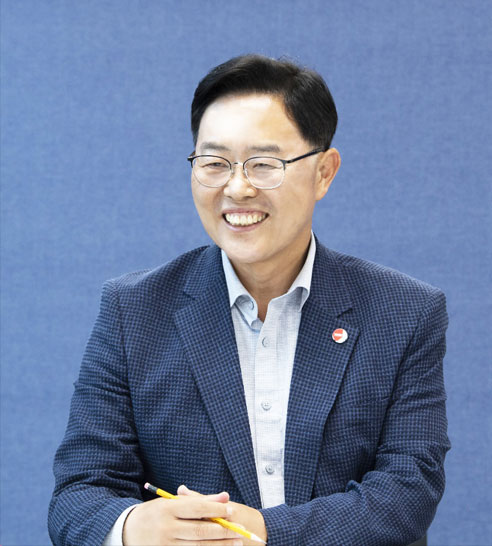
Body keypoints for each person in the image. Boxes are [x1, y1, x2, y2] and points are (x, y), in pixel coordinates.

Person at [49, 54, 450, 546]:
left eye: (263, 164)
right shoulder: (133, 311)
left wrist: (263, 532)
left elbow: (408, 490)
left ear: (324, 172)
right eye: (214, 164)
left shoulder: (404, 312)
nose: (237, 188)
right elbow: (79, 494)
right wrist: (133, 526)